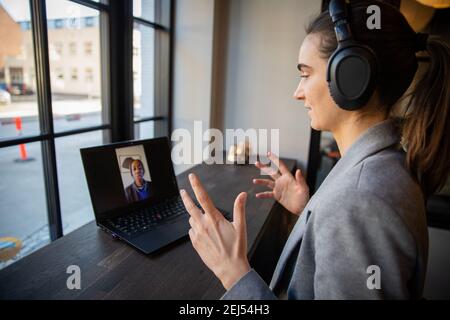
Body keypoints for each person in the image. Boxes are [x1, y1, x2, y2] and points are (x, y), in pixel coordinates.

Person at [180, 0, 450, 299]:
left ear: (352, 77)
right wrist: (312, 210)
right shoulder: (382, 166)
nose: (297, 92)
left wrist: (234, 273)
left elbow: (356, 211)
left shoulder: (360, 199)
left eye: (306, 74)